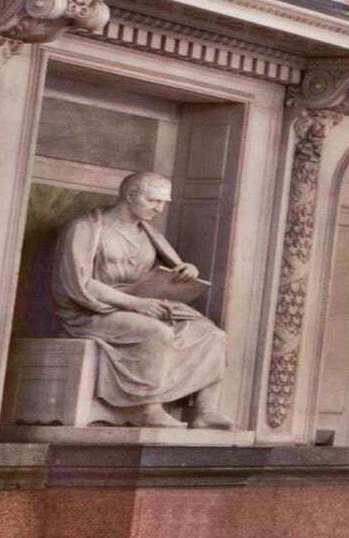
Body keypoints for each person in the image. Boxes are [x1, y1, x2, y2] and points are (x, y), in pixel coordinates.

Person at [48, 173, 228, 426]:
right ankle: (147, 409)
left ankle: (205, 411)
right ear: (130, 195)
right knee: (156, 333)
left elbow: (159, 273)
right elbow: (81, 282)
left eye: (164, 202)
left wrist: (184, 271)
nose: (160, 208)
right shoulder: (84, 228)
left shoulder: (148, 233)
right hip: (93, 310)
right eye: (154, 200)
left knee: (212, 334)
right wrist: (133, 303)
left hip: (138, 305)